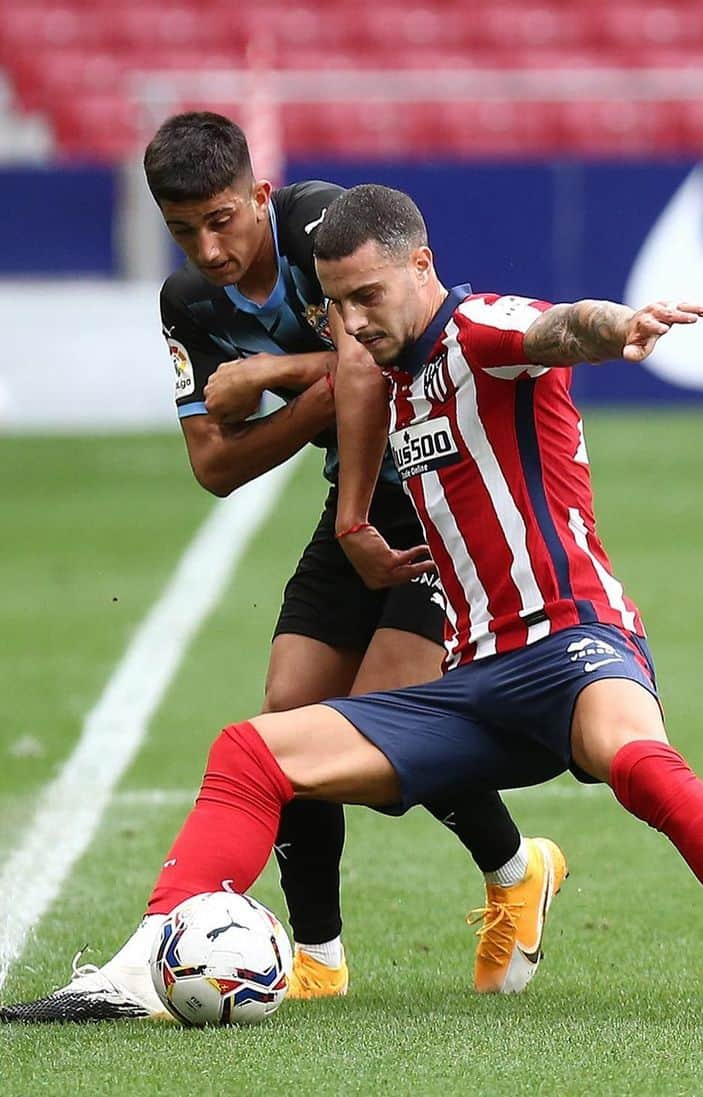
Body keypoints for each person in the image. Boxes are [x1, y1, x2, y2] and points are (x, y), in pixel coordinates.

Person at [2, 183, 703, 1027]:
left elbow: (555, 326)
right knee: (253, 747)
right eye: (338, 302)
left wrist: (618, 326)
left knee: (637, 760)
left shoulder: (477, 330)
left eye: (368, 297)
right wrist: (350, 520)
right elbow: (348, 394)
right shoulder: (390, 373)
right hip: (476, 684)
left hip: (575, 643)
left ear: (422, 265)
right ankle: (143, 960)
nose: (352, 322)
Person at [0, 117, 565, 1023]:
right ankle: (318, 957)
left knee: (385, 728)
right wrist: (317, 392)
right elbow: (215, 466)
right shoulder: (185, 301)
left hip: (429, 492)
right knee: (288, 722)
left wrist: (269, 374)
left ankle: (516, 868)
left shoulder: (323, 226)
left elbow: (385, 355)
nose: (208, 247)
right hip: (353, 493)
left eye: (223, 220)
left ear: (260, 195)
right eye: (184, 230)